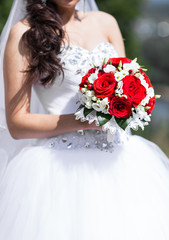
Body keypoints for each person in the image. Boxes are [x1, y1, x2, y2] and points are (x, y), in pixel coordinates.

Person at [0, 0, 169, 239]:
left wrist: (131, 104)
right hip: (60, 170)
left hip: (124, 164)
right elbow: (17, 122)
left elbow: (128, 83)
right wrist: (85, 120)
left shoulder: (106, 22)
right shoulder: (25, 33)